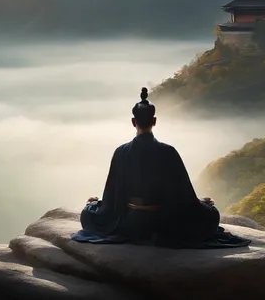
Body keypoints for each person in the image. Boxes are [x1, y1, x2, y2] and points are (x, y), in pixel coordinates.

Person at [71, 88, 250, 248]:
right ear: (154, 121)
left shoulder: (121, 153)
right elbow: (184, 194)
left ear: (133, 122)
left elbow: (111, 197)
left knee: (88, 214)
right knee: (212, 214)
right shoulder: (169, 152)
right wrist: (200, 205)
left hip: (131, 222)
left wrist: (95, 205)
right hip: (164, 222)